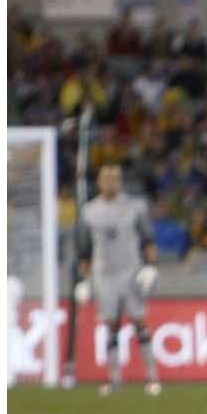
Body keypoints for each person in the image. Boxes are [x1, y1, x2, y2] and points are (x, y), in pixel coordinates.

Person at [75, 163, 161, 396]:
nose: (111, 182)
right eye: (106, 178)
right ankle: (114, 381)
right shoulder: (89, 211)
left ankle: (152, 378)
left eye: (115, 178)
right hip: (104, 275)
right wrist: (83, 280)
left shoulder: (135, 207)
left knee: (139, 322)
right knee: (111, 325)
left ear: (120, 181)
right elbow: (84, 251)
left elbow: (148, 240)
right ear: (100, 181)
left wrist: (151, 266)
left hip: (131, 272)